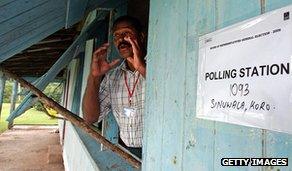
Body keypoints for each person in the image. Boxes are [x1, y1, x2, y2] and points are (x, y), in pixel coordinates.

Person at [82, 16, 146, 158]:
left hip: (162, 149)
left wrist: (141, 67)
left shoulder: (160, 64)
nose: (121, 40)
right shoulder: (112, 77)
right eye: (116, 36)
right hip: (128, 152)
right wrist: (94, 77)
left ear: (141, 36)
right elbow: (90, 118)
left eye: (126, 33)